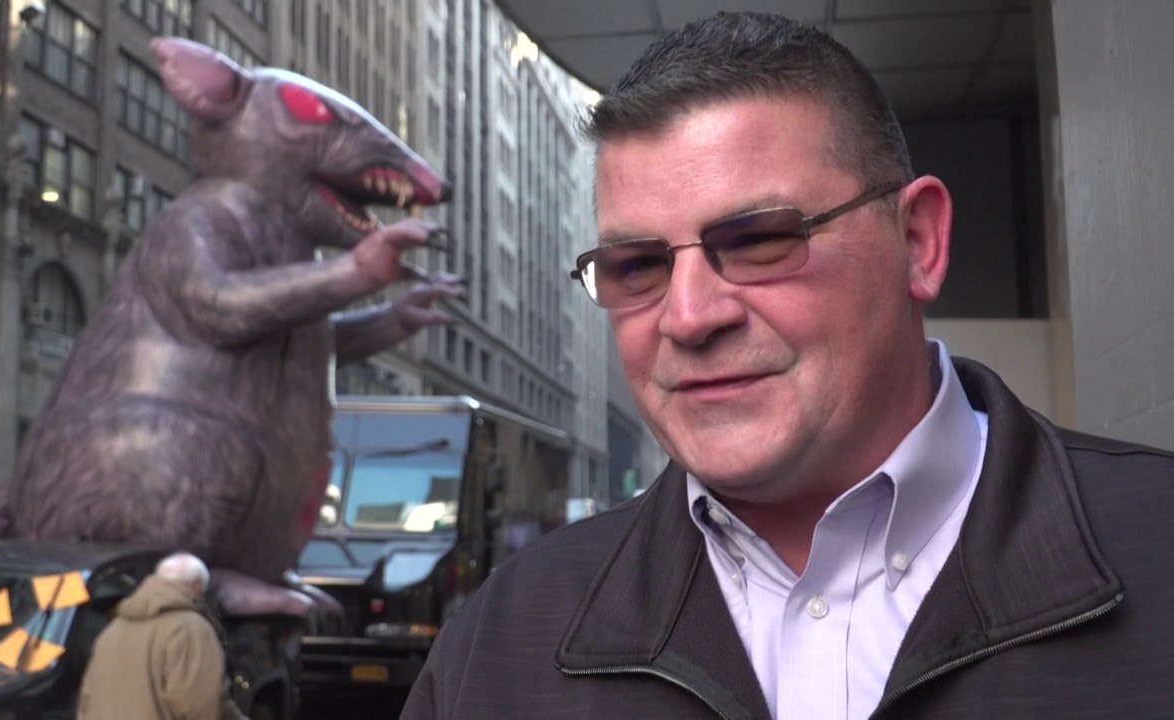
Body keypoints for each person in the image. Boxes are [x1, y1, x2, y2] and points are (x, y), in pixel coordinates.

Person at [402, 10, 1174, 720]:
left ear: (918, 242)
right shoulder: (497, 647)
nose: (689, 316)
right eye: (637, 266)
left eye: (759, 241)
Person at [78, 552, 246, 720]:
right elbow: (202, 705)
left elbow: (87, 700)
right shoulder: (191, 629)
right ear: (196, 587)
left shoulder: (112, 630)